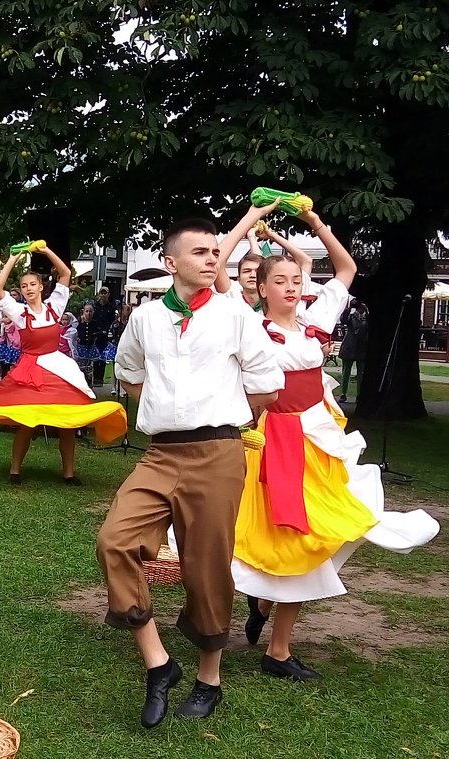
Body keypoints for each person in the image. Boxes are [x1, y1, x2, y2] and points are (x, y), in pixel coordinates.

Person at [221, 208, 439, 682]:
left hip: (316, 441)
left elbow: (346, 270)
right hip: (267, 443)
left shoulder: (315, 319)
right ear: (260, 288)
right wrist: (254, 218)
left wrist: (314, 224)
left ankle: (264, 608)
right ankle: (277, 649)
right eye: (280, 280)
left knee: (329, 530)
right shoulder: (244, 321)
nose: (292, 286)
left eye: (296, 279)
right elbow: (218, 264)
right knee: (286, 540)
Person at [96, 206, 284, 728]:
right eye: (200, 252)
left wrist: (222, 410)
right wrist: (163, 407)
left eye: (214, 251)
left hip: (219, 454)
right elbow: (129, 373)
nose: (212, 259)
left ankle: (209, 680)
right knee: (115, 540)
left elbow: (268, 383)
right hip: (160, 453)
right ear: (170, 260)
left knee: (205, 569)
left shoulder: (233, 314)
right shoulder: (146, 317)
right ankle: (159, 664)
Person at [0, 246, 127, 485]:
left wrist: (47, 250)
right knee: (27, 422)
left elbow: (65, 274)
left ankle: (69, 473)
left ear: (41, 287)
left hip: (59, 371)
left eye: (32, 284)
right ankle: (15, 470)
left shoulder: (55, 307)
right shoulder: (19, 312)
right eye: (24, 286)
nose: (28, 289)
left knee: (67, 424)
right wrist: (13, 257)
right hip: (30, 371)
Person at [339, 301, 368, 403]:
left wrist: (368, 312)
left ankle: (359, 395)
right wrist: (349, 307)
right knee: (346, 372)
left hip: (362, 348)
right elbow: (343, 320)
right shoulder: (351, 316)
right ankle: (343, 394)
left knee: (361, 373)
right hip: (349, 347)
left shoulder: (367, 318)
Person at [92, 287, 117, 386]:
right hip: (95, 334)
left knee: (102, 356)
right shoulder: (94, 306)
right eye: (101, 293)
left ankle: (100, 379)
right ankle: (95, 378)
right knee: (94, 357)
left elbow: (113, 320)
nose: (103, 295)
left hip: (106, 335)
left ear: (108, 294)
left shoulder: (111, 307)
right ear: (99, 294)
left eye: (105, 293)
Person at [105, 305, 132, 396]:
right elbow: (110, 335)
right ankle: (114, 387)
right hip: (116, 347)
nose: (128, 311)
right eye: (127, 309)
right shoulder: (115, 323)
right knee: (115, 367)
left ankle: (123, 389)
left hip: (127, 349)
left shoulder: (130, 323)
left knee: (125, 368)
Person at [74, 303, 102, 380]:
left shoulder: (96, 324)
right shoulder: (78, 323)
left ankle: (92, 381)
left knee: (91, 367)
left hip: (91, 348)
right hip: (81, 348)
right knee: (81, 367)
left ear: (93, 312)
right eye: (86, 311)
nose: (88, 313)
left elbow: (100, 334)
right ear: (83, 312)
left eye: (90, 311)